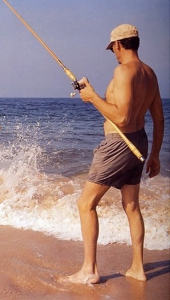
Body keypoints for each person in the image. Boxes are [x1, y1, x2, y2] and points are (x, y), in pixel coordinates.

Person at [58, 24, 164, 285]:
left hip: (119, 143)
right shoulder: (150, 73)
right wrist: (155, 155)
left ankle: (89, 270)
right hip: (140, 141)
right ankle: (137, 268)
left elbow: (121, 117)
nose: (113, 53)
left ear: (118, 45)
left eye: (112, 48)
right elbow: (159, 118)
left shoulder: (123, 71)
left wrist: (92, 96)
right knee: (131, 206)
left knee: (86, 204)